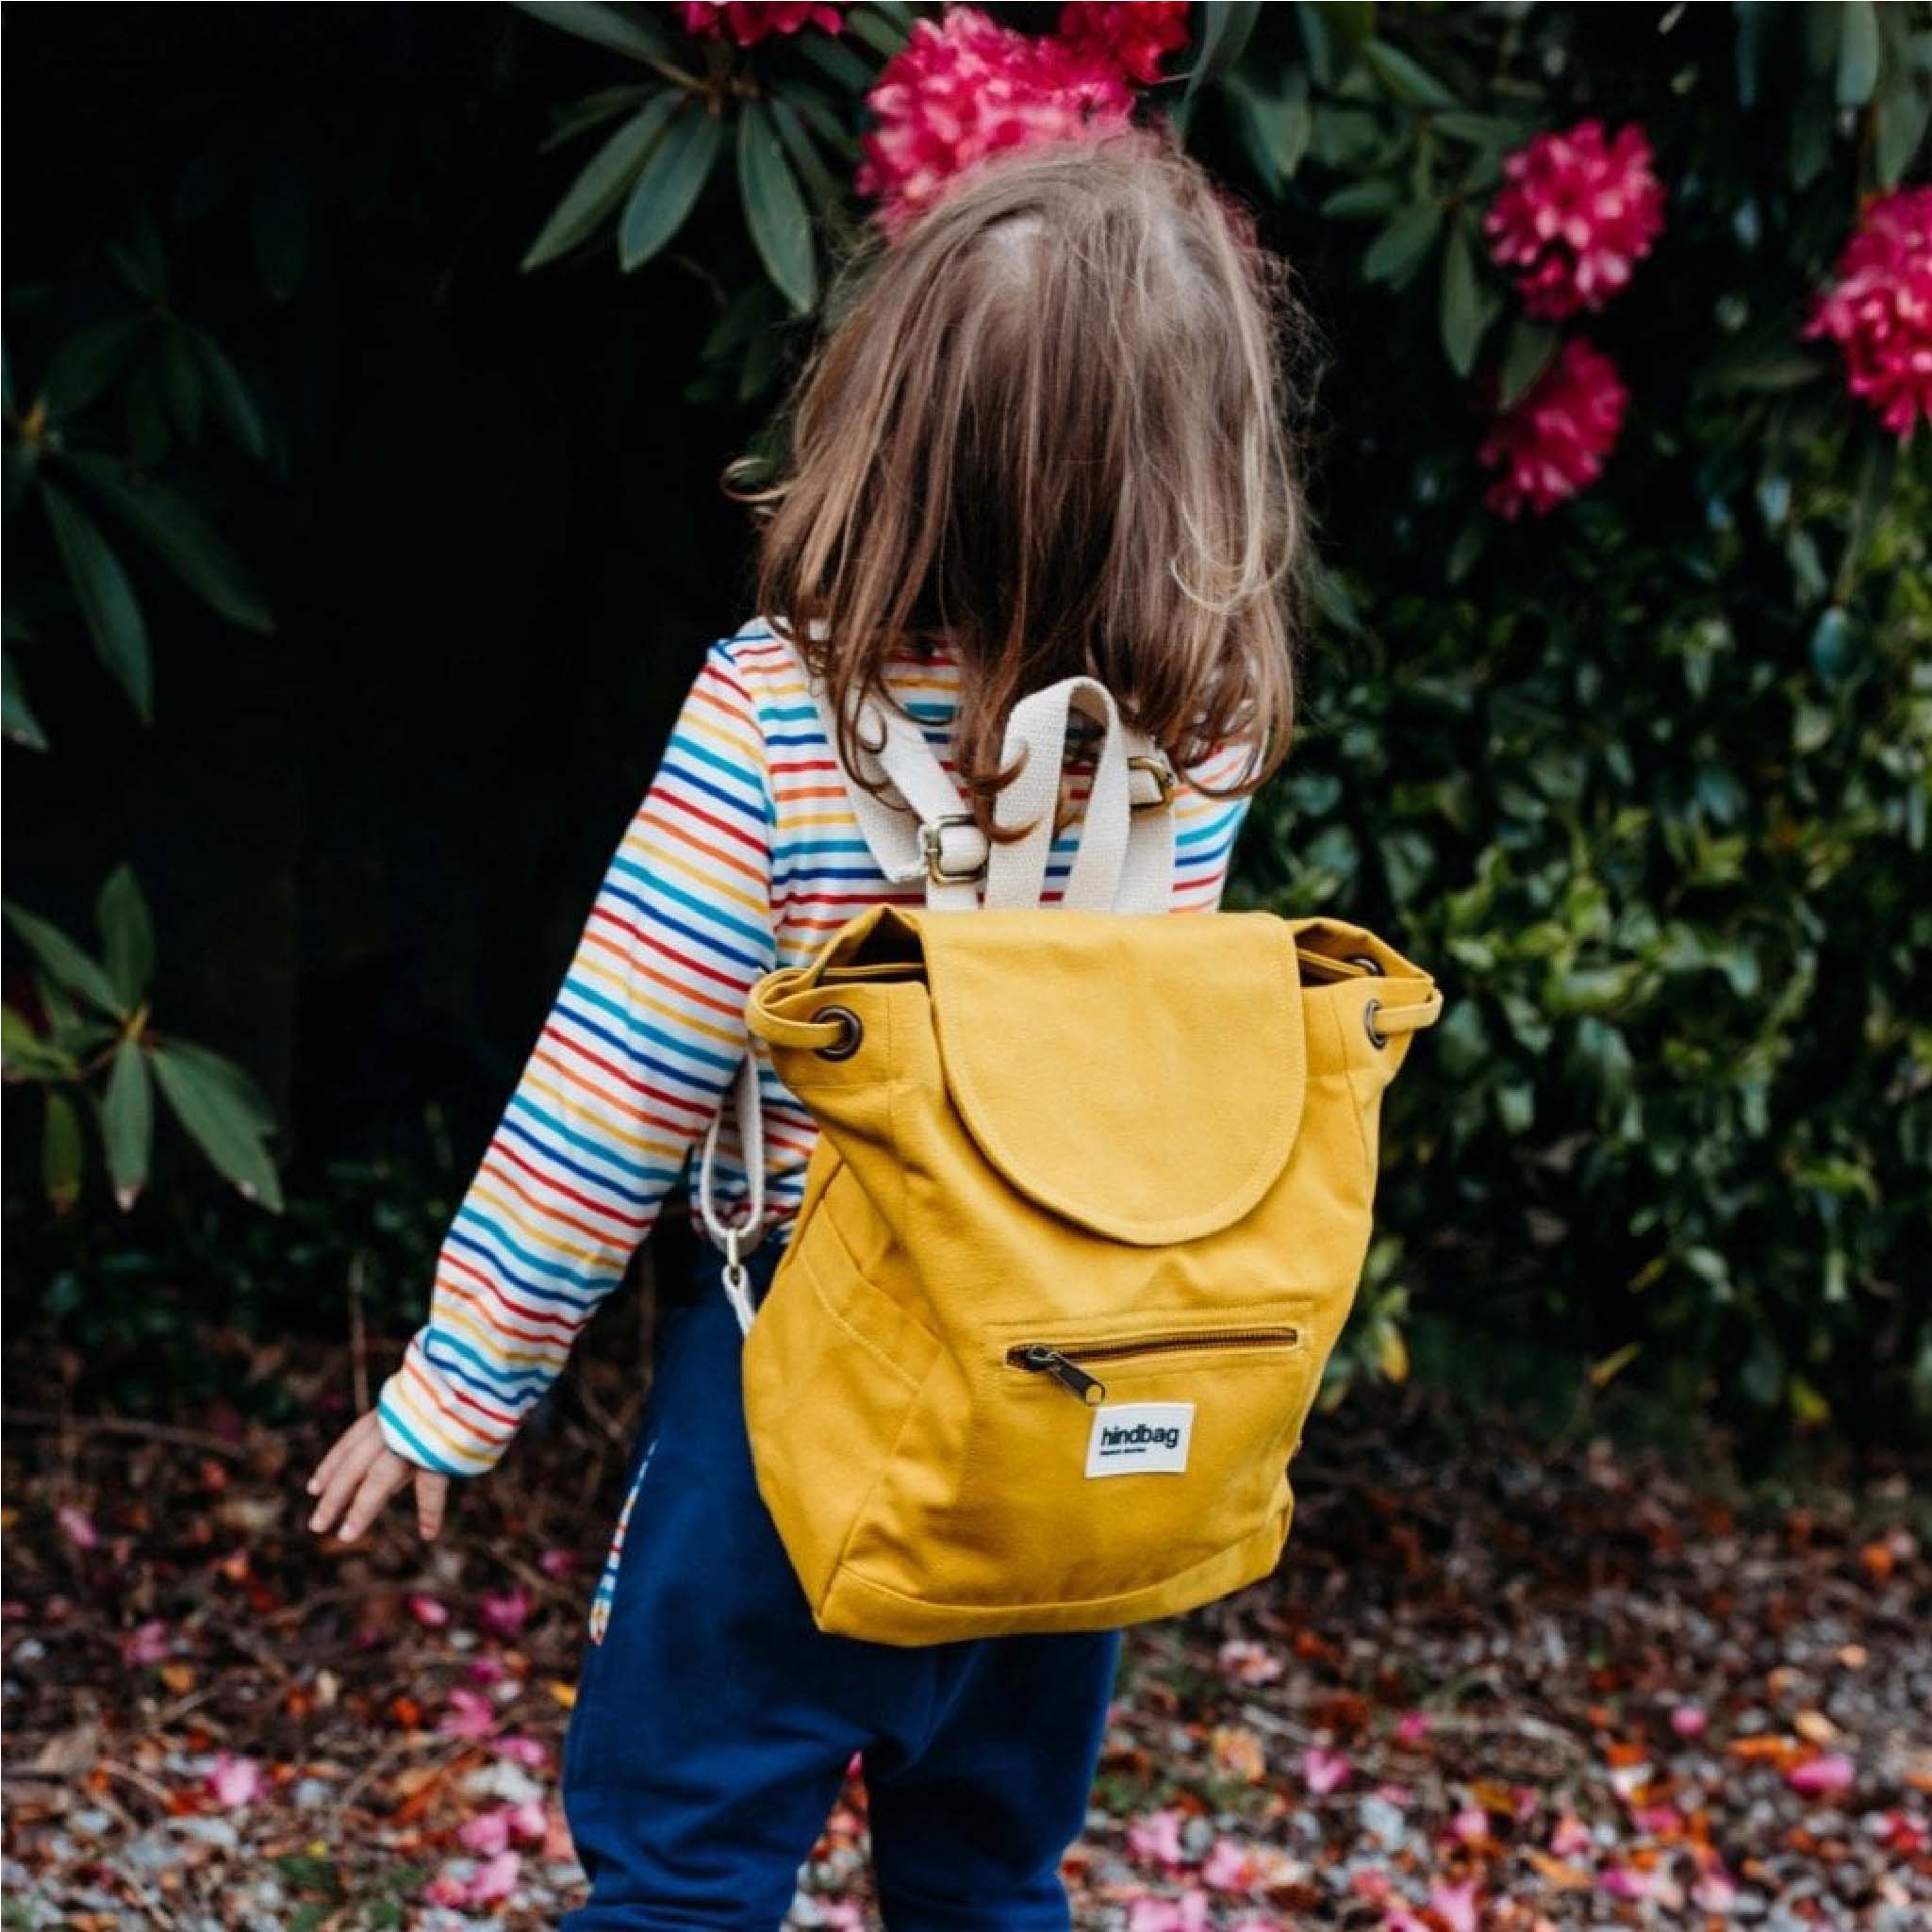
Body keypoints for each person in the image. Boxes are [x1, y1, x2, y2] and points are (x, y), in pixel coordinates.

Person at [306, 131, 1308, 1929]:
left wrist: (456, 1386)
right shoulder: (1201, 737)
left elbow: (618, 1079)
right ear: (1202, 465)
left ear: (894, 411)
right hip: (1056, 1418)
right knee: (991, 1873)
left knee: (683, 1866)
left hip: (794, 1401)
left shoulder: (781, 722)